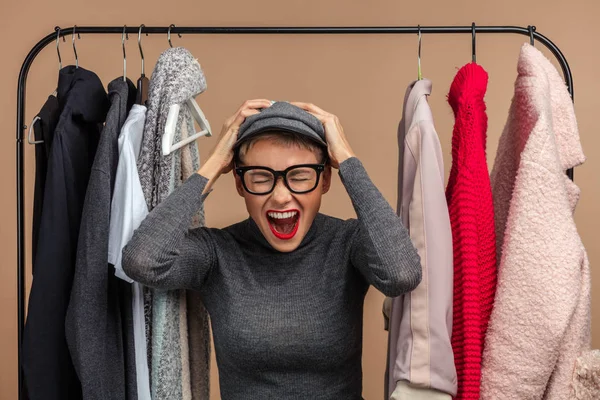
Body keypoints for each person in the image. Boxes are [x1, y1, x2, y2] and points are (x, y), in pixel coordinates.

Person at [122, 99, 422, 400]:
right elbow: (142, 261)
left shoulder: (347, 242)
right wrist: (213, 164)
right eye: (261, 177)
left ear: (325, 179)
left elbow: (401, 274)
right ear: (239, 183)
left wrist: (347, 160)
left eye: (300, 176)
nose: (280, 197)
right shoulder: (217, 253)